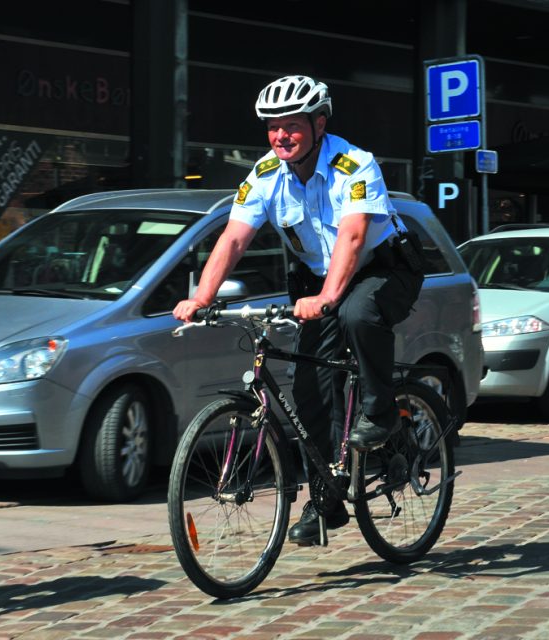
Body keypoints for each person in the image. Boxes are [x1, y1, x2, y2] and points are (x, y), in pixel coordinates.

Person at [172, 75, 424, 546]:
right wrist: (202, 297)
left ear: (319, 124)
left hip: (383, 268)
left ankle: (382, 411)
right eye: (272, 127)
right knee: (308, 390)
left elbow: (352, 237)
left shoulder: (355, 164)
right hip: (318, 281)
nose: (280, 136)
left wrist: (329, 298)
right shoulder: (265, 174)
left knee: (356, 315)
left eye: (292, 125)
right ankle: (326, 501)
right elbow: (233, 238)